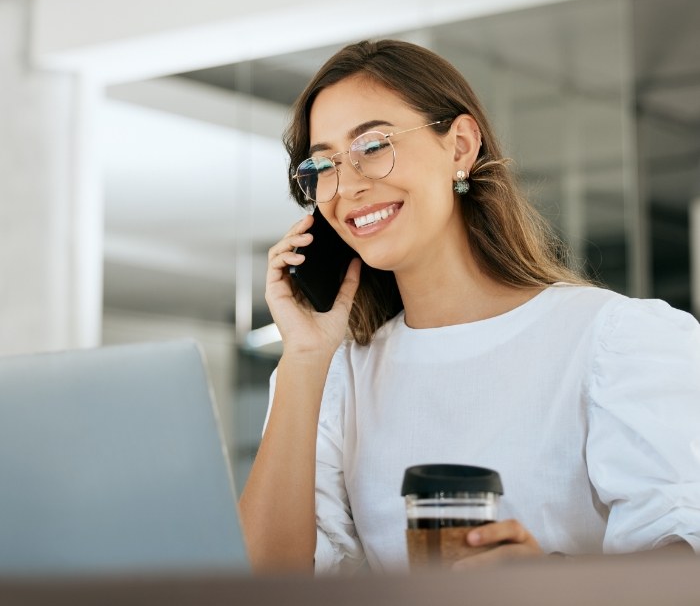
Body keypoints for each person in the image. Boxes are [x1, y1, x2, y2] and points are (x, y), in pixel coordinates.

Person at [239, 39, 700, 574]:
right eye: (322, 165)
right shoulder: (331, 375)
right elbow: (269, 581)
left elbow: (685, 565)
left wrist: (550, 581)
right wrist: (303, 355)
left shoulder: (616, 341)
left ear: (459, 146)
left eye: (372, 146)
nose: (348, 186)